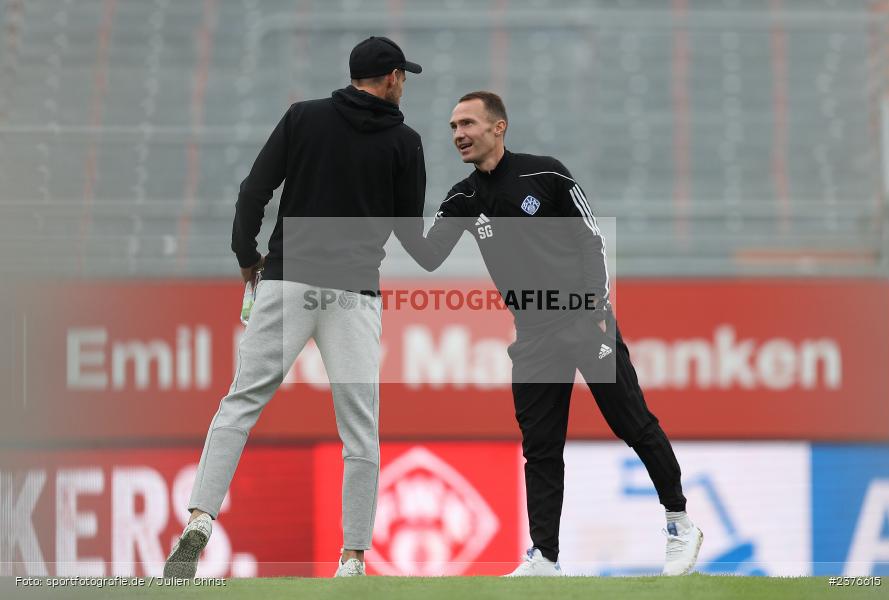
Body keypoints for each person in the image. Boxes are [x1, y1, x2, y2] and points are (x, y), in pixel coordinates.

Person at [163, 36, 426, 579]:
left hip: (286, 279)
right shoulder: (406, 141)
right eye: (405, 77)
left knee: (240, 405)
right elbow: (408, 230)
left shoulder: (302, 118)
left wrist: (246, 258)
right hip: (353, 292)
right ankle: (352, 556)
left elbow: (251, 192)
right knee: (360, 429)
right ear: (394, 77)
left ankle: (198, 519)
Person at [410, 91, 703, 576]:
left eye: (467, 124)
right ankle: (544, 556)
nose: (458, 134)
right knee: (540, 447)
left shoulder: (546, 175)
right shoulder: (462, 198)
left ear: (498, 127)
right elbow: (427, 256)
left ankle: (680, 522)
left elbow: (591, 240)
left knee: (633, 424)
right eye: (452, 127)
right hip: (533, 335)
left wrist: (595, 307)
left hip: (583, 321)